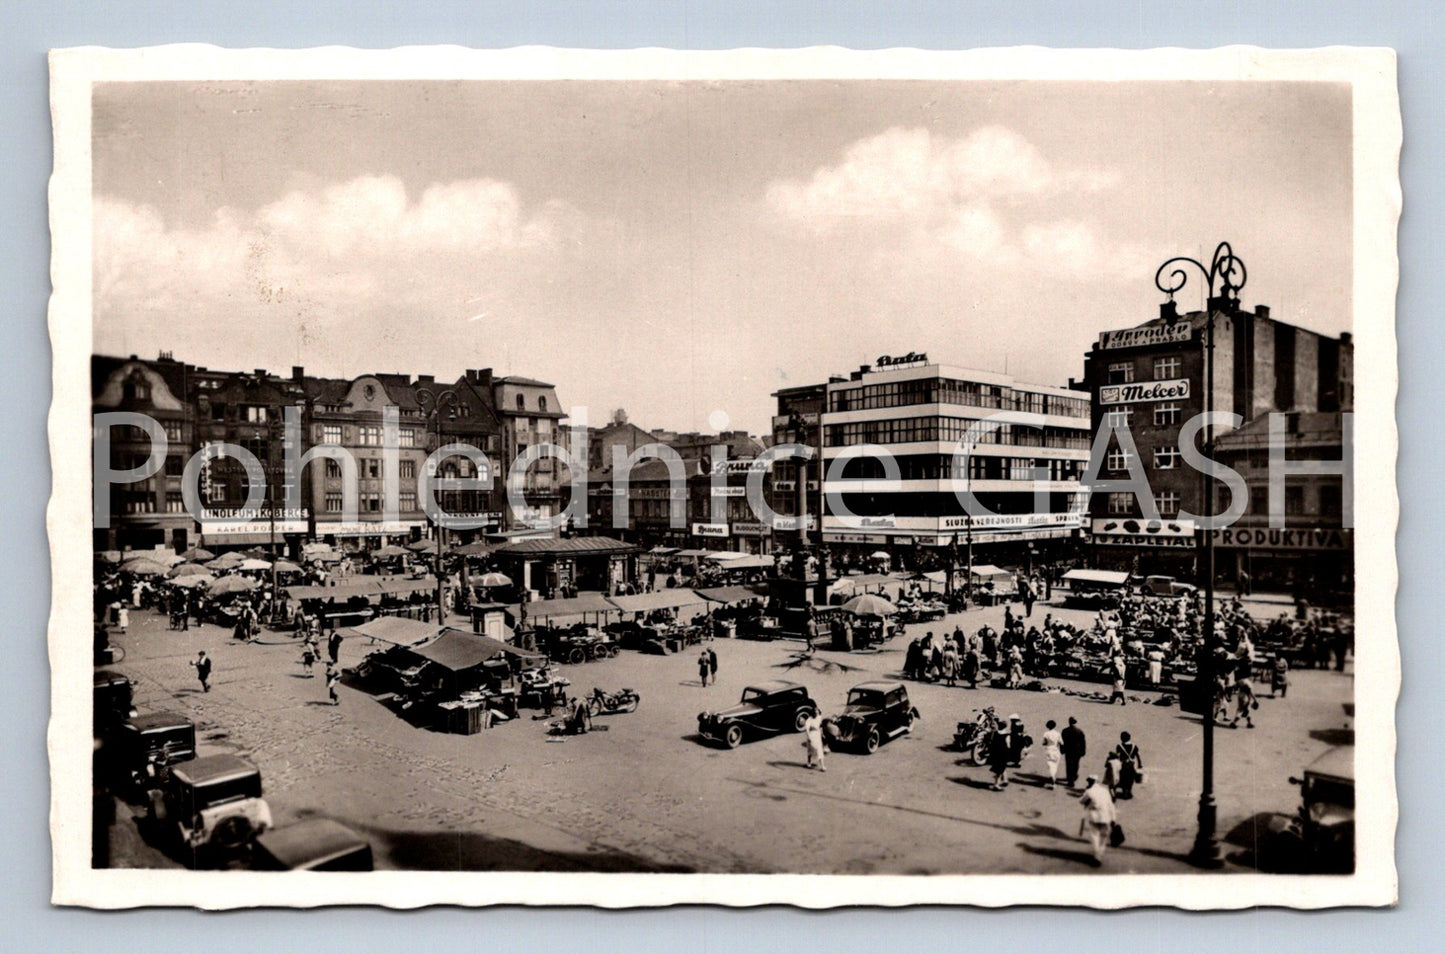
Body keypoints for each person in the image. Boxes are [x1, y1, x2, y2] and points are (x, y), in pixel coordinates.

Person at [1078, 774, 1117, 866]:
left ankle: (1096, 856)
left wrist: (1086, 796)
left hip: (1094, 817)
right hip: (1106, 816)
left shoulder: (1089, 791)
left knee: (1095, 837)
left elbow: (1081, 801)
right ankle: (1099, 855)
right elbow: (1111, 805)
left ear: (1090, 782)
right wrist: (1113, 818)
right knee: (1103, 837)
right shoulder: (1105, 791)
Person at [1111, 731, 1144, 799]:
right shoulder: (1134, 746)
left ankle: (1125, 792)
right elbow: (1138, 756)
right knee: (1130, 778)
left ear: (1122, 738)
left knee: (1123, 778)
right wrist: (1140, 764)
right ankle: (1129, 792)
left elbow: (1118, 755)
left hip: (1123, 765)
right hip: (1131, 765)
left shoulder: (1119, 746)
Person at [1061, 716, 1086, 788]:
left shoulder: (1065, 731)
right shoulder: (1079, 731)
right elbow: (1083, 742)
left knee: (1069, 765)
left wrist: (1062, 750)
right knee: (1076, 764)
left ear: (1069, 722)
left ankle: (1070, 781)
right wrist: (1083, 751)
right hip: (1077, 751)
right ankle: (1074, 776)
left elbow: (1062, 742)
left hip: (1068, 751)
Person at [988, 719, 1012, 790]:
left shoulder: (995, 733)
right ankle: (996, 785)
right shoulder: (1007, 735)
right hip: (1003, 754)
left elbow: (992, 743)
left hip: (996, 754)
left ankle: (1005, 780)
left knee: (1000, 768)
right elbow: (1008, 746)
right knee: (1000, 769)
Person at [1040, 719, 1063, 789]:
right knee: (1055, 765)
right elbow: (1061, 743)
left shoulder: (1046, 734)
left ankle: (1053, 779)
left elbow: (1044, 743)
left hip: (1049, 750)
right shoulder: (1058, 733)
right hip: (1056, 750)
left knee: (1050, 765)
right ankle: (1053, 777)